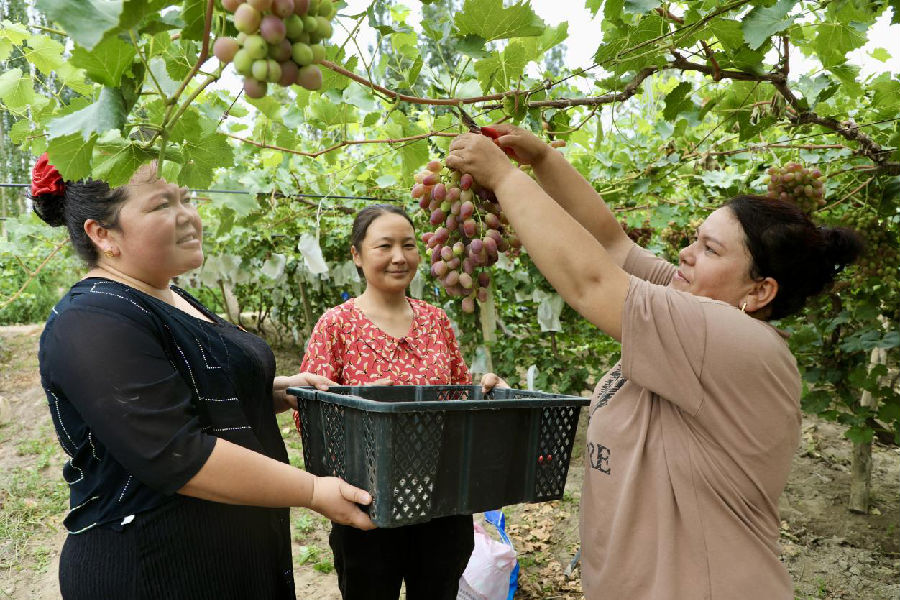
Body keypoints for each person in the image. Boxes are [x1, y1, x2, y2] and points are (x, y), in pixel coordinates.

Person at [446, 126, 864, 600]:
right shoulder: (690, 303)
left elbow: (592, 282)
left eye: (710, 249)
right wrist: (541, 159)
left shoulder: (734, 340)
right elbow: (611, 244)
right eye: (695, 238)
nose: (685, 253)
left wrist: (502, 176)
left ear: (760, 291)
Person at [30, 154, 374, 600]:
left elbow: (188, 383)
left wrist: (273, 390)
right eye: (161, 205)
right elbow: (175, 451)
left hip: (229, 558)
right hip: (155, 568)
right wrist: (312, 490)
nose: (188, 216)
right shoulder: (92, 319)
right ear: (102, 233)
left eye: (186, 198)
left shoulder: (169, 295)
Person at [296, 204, 504, 600]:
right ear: (357, 255)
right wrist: (359, 406)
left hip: (442, 498)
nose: (398, 257)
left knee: (438, 589)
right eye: (384, 246)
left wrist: (486, 388)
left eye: (408, 245)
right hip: (367, 506)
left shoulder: (436, 320)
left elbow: (459, 393)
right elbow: (311, 418)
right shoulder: (336, 325)